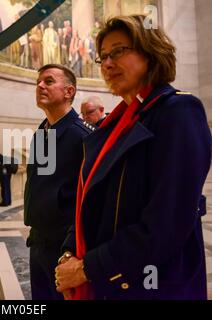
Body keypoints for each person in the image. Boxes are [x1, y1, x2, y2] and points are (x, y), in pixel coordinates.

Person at [55, 15, 212, 300]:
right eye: (102, 56)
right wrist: (69, 253)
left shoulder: (178, 111)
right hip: (109, 284)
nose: (107, 63)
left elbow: (166, 224)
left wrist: (87, 268)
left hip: (155, 287)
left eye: (118, 51)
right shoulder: (112, 125)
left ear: (150, 51)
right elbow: (91, 203)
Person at [24, 64, 93, 300]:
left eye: (49, 81)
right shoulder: (42, 132)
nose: (40, 85)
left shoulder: (83, 136)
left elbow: (90, 198)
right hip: (38, 243)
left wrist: (72, 249)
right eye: (38, 82)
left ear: (69, 91)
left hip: (65, 249)